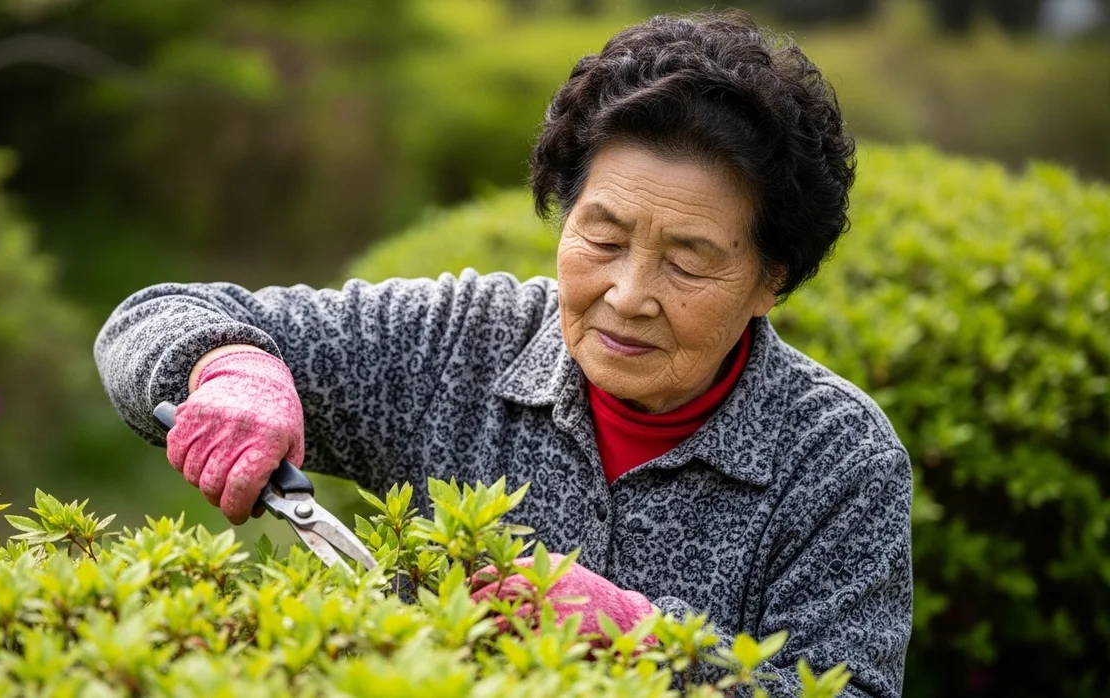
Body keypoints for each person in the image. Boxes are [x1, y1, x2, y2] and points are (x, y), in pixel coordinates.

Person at [94, 10, 911, 698]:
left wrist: (647, 643)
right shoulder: (457, 340)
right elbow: (152, 317)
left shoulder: (838, 460)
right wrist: (232, 367)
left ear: (771, 280)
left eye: (689, 260)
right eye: (603, 234)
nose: (628, 293)